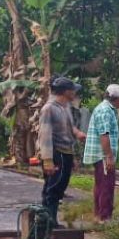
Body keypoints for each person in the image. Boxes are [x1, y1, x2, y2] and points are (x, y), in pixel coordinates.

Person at [82, 83, 119, 223]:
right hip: (102, 155)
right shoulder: (105, 111)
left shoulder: (107, 109)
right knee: (106, 185)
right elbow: (104, 135)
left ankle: (98, 215)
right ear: (116, 98)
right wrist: (109, 156)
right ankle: (104, 217)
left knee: (100, 184)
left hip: (100, 154)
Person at [38, 76, 85, 223]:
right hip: (55, 153)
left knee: (60, 187)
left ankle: (50, 219)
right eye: (72, 90)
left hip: (66, 152)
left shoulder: (65, 107)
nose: (74, 93)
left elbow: (69, 126)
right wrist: (47, 160)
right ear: (65, 92)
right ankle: (48, 220)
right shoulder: (49, 108)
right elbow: (44, 135)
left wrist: (77, 133)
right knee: (53, 187)